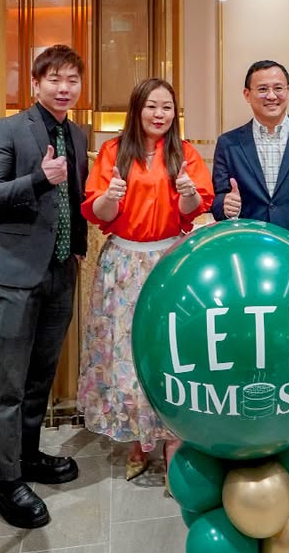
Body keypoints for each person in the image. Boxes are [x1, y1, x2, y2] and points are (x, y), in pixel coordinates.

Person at [0, 44, 89, 529]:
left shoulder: (78, 135)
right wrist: (39, 179)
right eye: (55, 79)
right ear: (37, 83)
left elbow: (79, 195)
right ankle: (3, 483)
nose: (64, 88)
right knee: (10, 382)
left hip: (60, 270)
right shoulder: (9, 129)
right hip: (15, 272)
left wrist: (78, 247)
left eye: (72, 80)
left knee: (41, 376)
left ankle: (27, 458)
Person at [78, 78, 214, 481]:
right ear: (137, 110)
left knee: (171, 351)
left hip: (171, 261)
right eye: (152, 106)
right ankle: (138, 438)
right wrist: (112, 197)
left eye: (167, 107)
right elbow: (99, 212)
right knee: (127, 354)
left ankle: (174, 441)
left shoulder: (185, 154)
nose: (159, 114)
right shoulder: (113, 152)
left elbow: (192, 210)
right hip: (123, 263)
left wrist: (187, 191)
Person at [212, 59, 289, 248]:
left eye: (278, 88)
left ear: (288, 91)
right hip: (247, 247)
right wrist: (225, 204)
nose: (271, 96)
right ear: (247, 94)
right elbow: (219, 200)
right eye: (262, 89)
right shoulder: (228, 144)